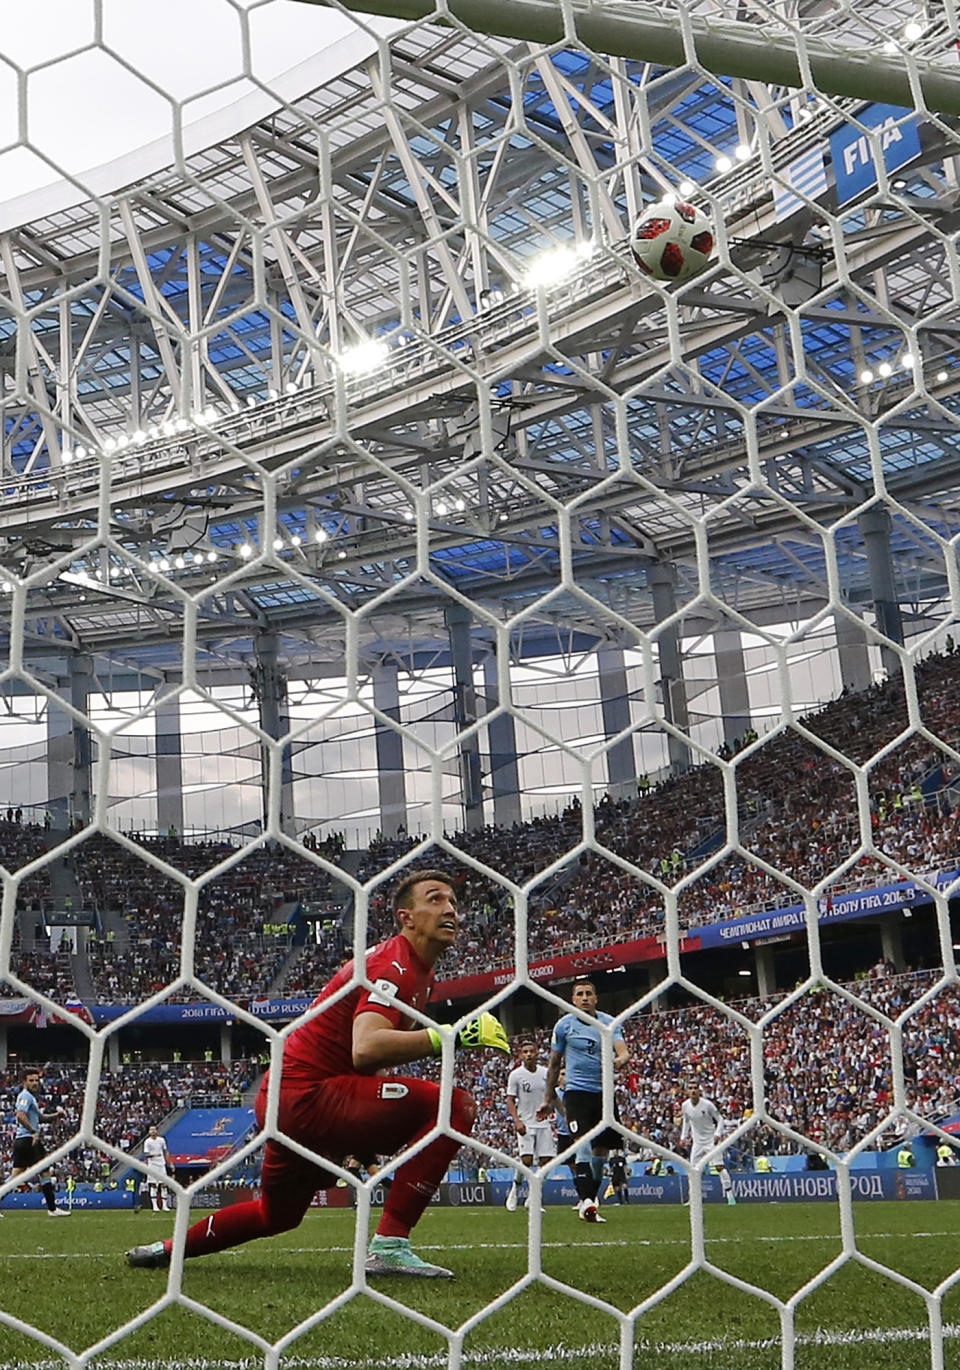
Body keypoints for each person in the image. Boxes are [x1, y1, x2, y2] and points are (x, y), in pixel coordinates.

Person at [125, 869, 509, 1279]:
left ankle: (167, 1249)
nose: (449, 908)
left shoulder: (416, 972)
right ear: (406, 917)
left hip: (284, 1102)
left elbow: (365, 1058)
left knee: (278, 1214)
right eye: (435, 899)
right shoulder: (393, 965)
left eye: (452, 901)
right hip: (310, 1096)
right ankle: (390, 1245)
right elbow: (366, 1048)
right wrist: (450, 1037)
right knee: (455, 1105)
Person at [545, 979, 630, 1223]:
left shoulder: (608, 1022)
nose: (584, 997)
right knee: (581, 1144)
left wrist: (621, 1058)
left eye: (588, 993)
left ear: (596, 998)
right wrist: (548, 1094)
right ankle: (587, 1202)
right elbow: (554, 1063)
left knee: (600, 1152)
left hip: (604, 1094)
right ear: (573, 1000)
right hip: (576, 1094)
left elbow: (622, 1049)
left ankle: (589, 1202)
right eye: (579, 994)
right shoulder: (564, 1025)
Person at [4, 1069, 70, 1216]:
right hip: (29, 1140)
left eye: (36, 1080)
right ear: (24, 1082)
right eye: (31, 1080)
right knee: (44, 1171)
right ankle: (52, 1209)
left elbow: (40, 1118)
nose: (35, 1083)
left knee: (17, 1176)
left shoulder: (30, 1097)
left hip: (24, 1140)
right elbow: (20, 1115)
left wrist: (57, 1115)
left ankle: (52, 1208)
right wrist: (33, 1131)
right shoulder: (25, 1096)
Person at [504, 1040, 556, 1211]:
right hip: (525, 1122)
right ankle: (515, 1190)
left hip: (543, 1122)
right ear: (521, 1055)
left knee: (546, 1162)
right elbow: (510, 1099)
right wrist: (517, 1120)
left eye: (531, 1051)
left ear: (537, 1053)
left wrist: (556, 1111)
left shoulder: (545, 1073)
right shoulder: (516, 1075)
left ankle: (533, 1198)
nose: (528, 1054)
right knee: (526, 1160)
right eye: (525, 1051)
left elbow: (551, 1095)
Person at [680, 1081, 735, 1205]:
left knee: (719, 1167)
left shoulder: (708, 1105)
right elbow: (686, 1121)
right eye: (690, 1088)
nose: (693, 1091)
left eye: (695, 1088)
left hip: (711, 1141)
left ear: (699, 1091)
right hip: (697, 1143)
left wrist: (717, 1134)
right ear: (687, 1091)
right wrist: (684, 1137)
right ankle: (693, 1198)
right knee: (692, 1170)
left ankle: (730, 1197)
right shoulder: (685, 1106)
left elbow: (720, 1119)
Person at [142, 1126, 172, 1212]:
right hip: (152, 1165)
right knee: (153, 1185)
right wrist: (155, 1155)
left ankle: (164, 1206)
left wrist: (170, 1162)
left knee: (163, 1185)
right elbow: (146, 1154)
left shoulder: (161, 1140)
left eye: (154, 1129)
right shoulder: (147, 1142)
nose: (152, 1131)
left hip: (161, 1164)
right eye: (151, 1130)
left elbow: (166, 1151)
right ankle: (155, 1206)